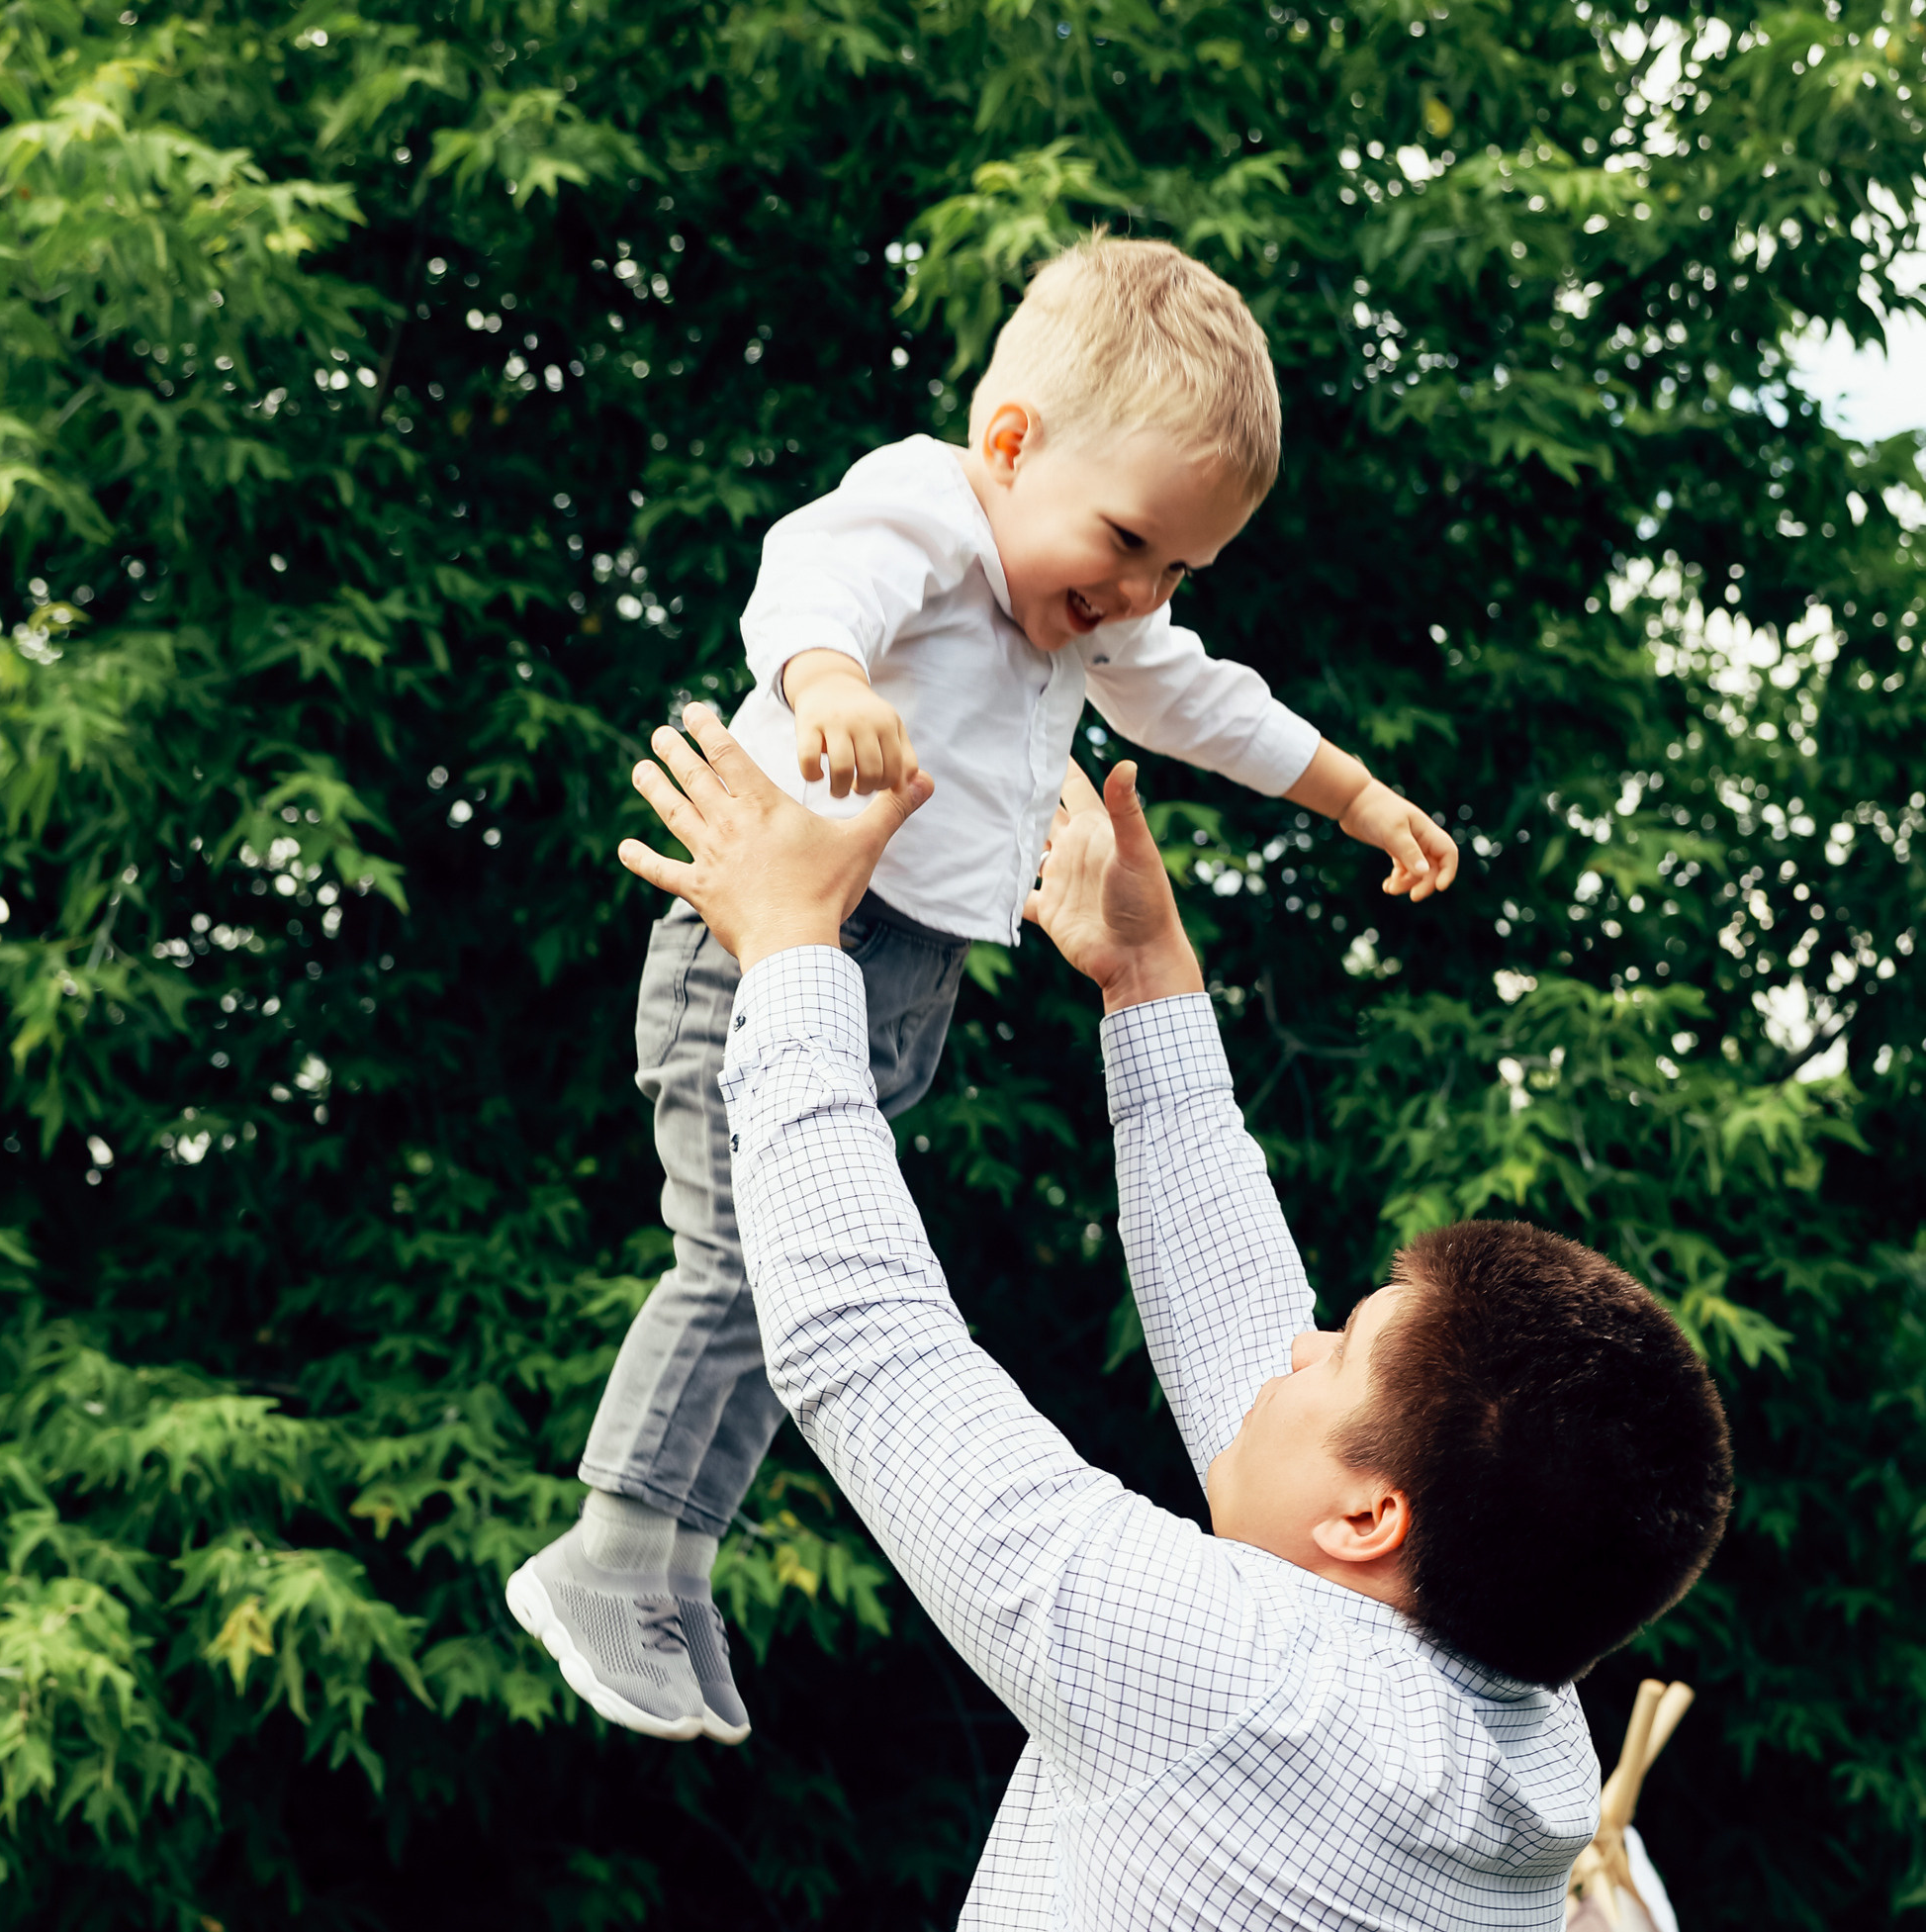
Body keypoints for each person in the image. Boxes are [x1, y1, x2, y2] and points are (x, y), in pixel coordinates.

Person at [604, 704, 1733, 1932]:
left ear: (1372, 1521)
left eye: (1338, 1345)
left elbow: (864, 1351)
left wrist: (792, 958)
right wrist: (1149, 988)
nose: (1288, 1351)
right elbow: (1252, 1383)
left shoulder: (1245, 1687)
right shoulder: (1504, 1726)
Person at [506, 235, 1459, 1744]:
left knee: (808, 1270)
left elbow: (1203, 699)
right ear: (1011, 446)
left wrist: (1350, 796)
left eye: (1176, 571)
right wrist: (828, 686)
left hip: (898, 982)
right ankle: (614, 1548)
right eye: (1128, 541)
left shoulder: (1096, 606)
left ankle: (676, 1561)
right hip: (758, 943)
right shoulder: (929, 514)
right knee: (752, 1258)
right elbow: (810, 579)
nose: (1136, 593)